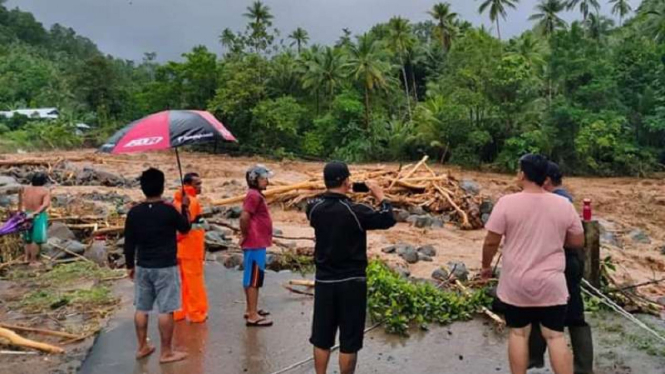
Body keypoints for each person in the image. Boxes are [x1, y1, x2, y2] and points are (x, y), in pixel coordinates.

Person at [481, 154, 585, 374]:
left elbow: (491, 240)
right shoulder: (562, 204)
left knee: (519, 333)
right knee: (555, 335)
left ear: (522, 174)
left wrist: (486, 267)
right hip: (551, 284)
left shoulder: (507, 203)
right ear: (545, 177)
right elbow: (577, 240)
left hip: (517, 283)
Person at [306, 161, 396, 374]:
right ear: (347, 181)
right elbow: (387, 218)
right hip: (352, 282)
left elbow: (319, 200)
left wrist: (338, 189)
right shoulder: (356, 211)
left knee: (322, 337)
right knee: (349, 340)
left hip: (324, 280)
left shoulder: (313, 208)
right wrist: (380, 194)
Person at [528, 162, 593, 374]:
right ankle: (581, 367)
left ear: (546, 180)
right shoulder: (563, 199)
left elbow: (573, 239)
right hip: (567, 263)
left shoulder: (558, 200)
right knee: (571, 313)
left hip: (562, 263)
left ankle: (536, 357)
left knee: (549, 311)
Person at [124, 168, 191, 364]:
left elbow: (129, 242)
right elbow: (185, 228)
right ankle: (166, 352)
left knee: (142, 308)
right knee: (166, 309)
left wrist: (129, 265)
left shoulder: (134, 212)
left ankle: (142, 346)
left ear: (142, 187)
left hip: (143, 265)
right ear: (162, 187)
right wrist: (185, 207)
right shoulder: (169, 210)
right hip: (165, 266)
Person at [240, 165, 274, 327]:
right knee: (254, 279)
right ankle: (252, 315)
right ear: (254, 180)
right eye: (263, 178)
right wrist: (246, 234)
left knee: (251, 277)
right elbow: (244, 217)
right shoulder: (254, 196)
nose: (266, 181)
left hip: (256, 241)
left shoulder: (255, 195)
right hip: (255, 242)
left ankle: (251, 309)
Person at [174, 172, 208, 323]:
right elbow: (185, 228)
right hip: (191, 248)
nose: (200, 187)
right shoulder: (191, 202)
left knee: (182, 282)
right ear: (188, 185)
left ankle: (179, 311)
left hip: (180, 248)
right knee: (194, 282)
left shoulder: (176, 201)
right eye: (197, 184)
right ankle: (196, 313)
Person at [19, 172, 51, 266]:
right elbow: (45, 204)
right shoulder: (45, 191)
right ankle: (33, 261)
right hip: (37, 215)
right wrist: (36, 213)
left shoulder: (26, 189)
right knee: (36, 239)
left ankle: (26, 257)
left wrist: (24, 213)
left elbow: (22, 202)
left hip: (26, 214)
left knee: (27, 238)